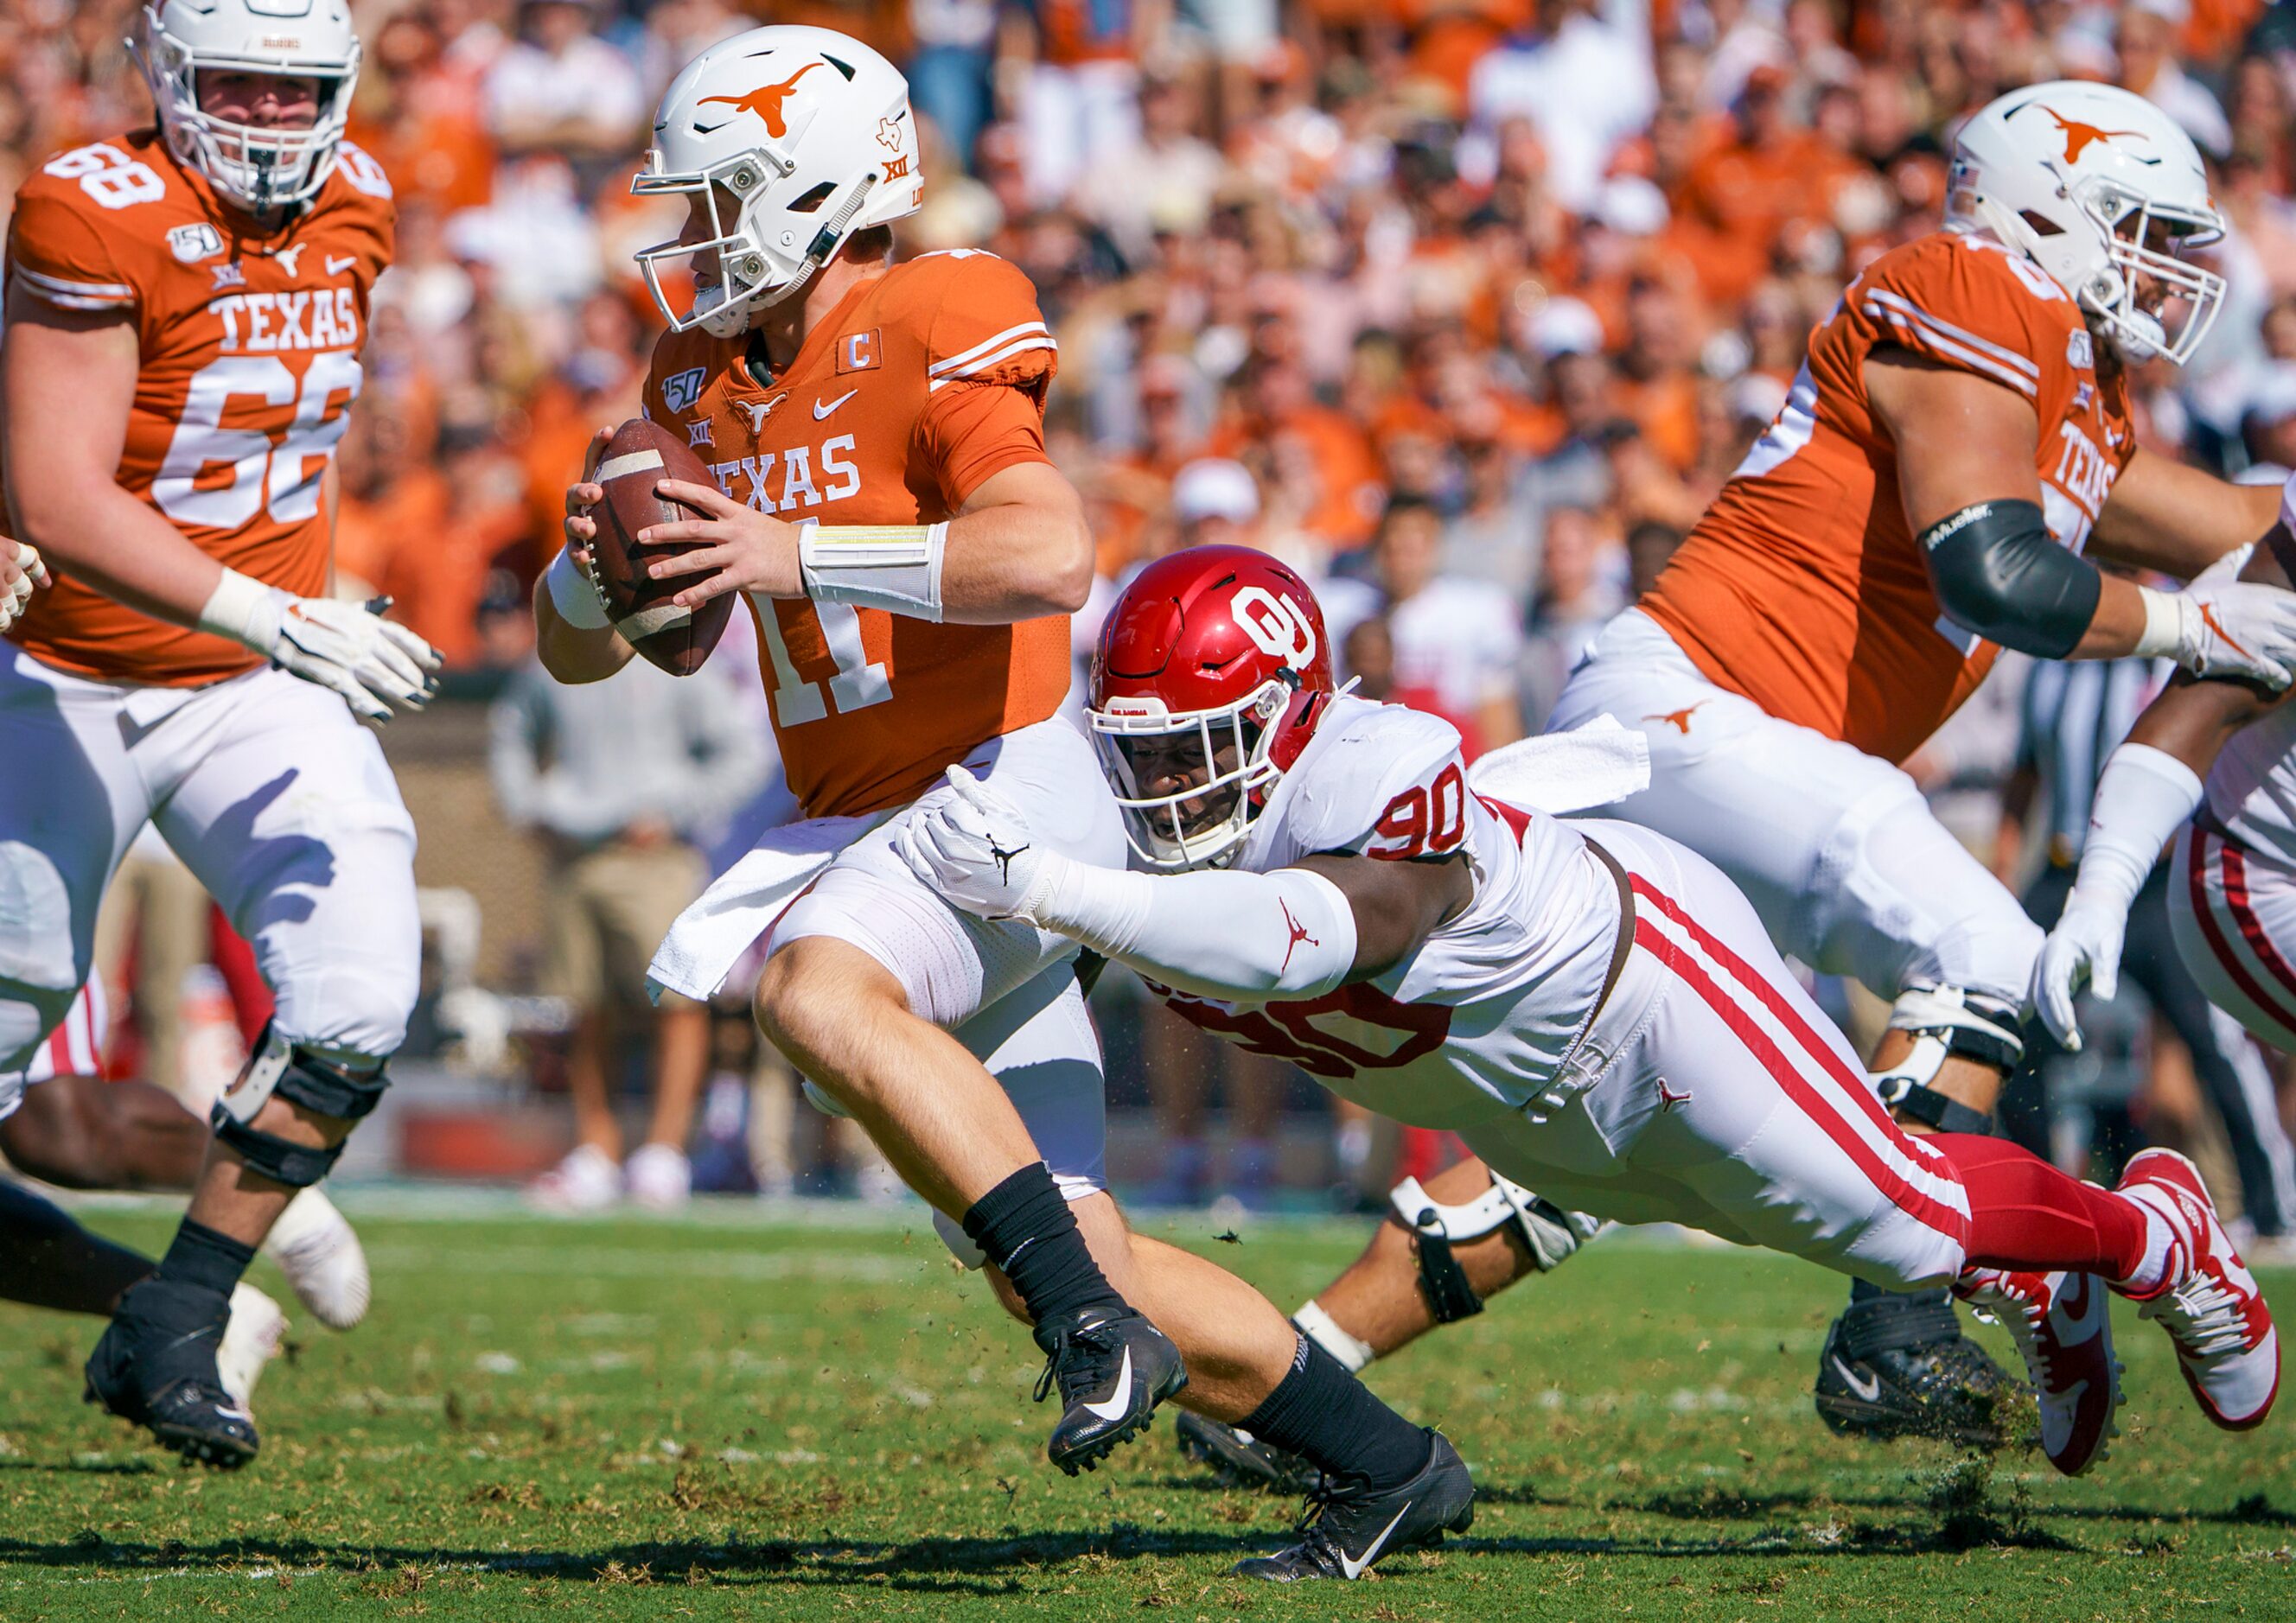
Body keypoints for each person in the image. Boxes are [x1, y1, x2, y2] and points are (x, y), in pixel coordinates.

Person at [543, 29, 1469, 1560]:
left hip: (1003, 779)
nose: (694, 238)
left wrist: (794, 551)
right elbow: (578, 652)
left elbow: (1047, 554)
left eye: (722, 201)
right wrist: (593, 581)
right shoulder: (697, 378)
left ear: (820, 192)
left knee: (812, 995)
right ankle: (1387, 1465)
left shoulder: (942, 300)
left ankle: (1088, 1329)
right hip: (863, 818)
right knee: (1069, 1236)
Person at [902, 546, 2280, 1496]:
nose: (1157, 786)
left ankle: (2161, 1235)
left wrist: (1057, 887)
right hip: (1523, 1103)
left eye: (1188, 750)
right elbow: (1043, 1011)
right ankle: (2040, 1273)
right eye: (1134, 752)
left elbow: (1302, 935)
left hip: (1646, 997)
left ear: (1286, 719)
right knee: (1831, 1217)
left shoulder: (1379, 767)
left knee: (1902, 1218)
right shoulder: (1132, 842)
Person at [1530, 79, 2296, 1442]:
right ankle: (1904, 1321)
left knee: (1598, 1157)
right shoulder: (1975, 285)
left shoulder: (2072, 384)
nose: (2168, 273)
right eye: (2141, 230)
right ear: (2045, 207)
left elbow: (2253, 528)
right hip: (1687, 712)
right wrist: (2193, 623)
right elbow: (1997, 569)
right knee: (1981, 956)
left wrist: (2242, 573)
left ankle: (1286, 1381)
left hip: (1750, 757)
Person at [0, 0, 440, 1466]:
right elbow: (60, 496)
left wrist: (287, 613)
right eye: (234, 82)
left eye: (294, 85)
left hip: (248, 682)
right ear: (166, 77)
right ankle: (170, 1289)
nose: (265, 114)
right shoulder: (92, 204)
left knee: (361, 984)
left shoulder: (364, 199)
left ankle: (183, 1313)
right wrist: (278, 611)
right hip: (59, 677)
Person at [489, 646, 769, 1210]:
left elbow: (744, 755)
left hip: (657, 861)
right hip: (574, 858)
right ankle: (597, 1151)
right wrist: (530, 808)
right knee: (582, 1007)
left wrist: (676, 813)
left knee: (677, 1001)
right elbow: (510, 729)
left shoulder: (681, 657)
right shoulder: (557, 653)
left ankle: (665, 1154)